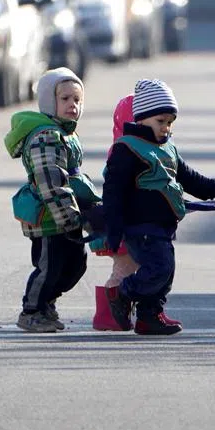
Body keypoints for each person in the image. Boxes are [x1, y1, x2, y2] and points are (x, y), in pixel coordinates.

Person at [102, 79, 215, 335]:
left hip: (162, 226)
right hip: (140, 227)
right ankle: (122, 292)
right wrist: (112, 229)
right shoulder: (127, 149)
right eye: (160, 121)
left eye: (169, 122)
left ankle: (149, 316)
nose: (166, 128)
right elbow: (113, 193)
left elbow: (191, 179)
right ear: (142, 118)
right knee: (159, 268)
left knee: (166, 273)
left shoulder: (167, 149)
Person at [4, 68, 99, 333]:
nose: (73, 105)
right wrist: (68, 217)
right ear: (49, 101)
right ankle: (32, 311)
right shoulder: (46, 136)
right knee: (49, 267)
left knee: (75, 265)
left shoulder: (65, 133)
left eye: (77, 100)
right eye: (66, 99)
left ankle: (47, 303)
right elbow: (51, 183)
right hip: (50, 218)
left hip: (68, 215)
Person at [91, 94, 139, 331]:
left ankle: (117, 313)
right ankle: (108, 314)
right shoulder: (127, 154)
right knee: (123, 272)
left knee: (129, 270)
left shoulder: (127, 150)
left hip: (133, 225)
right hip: (127, 227)